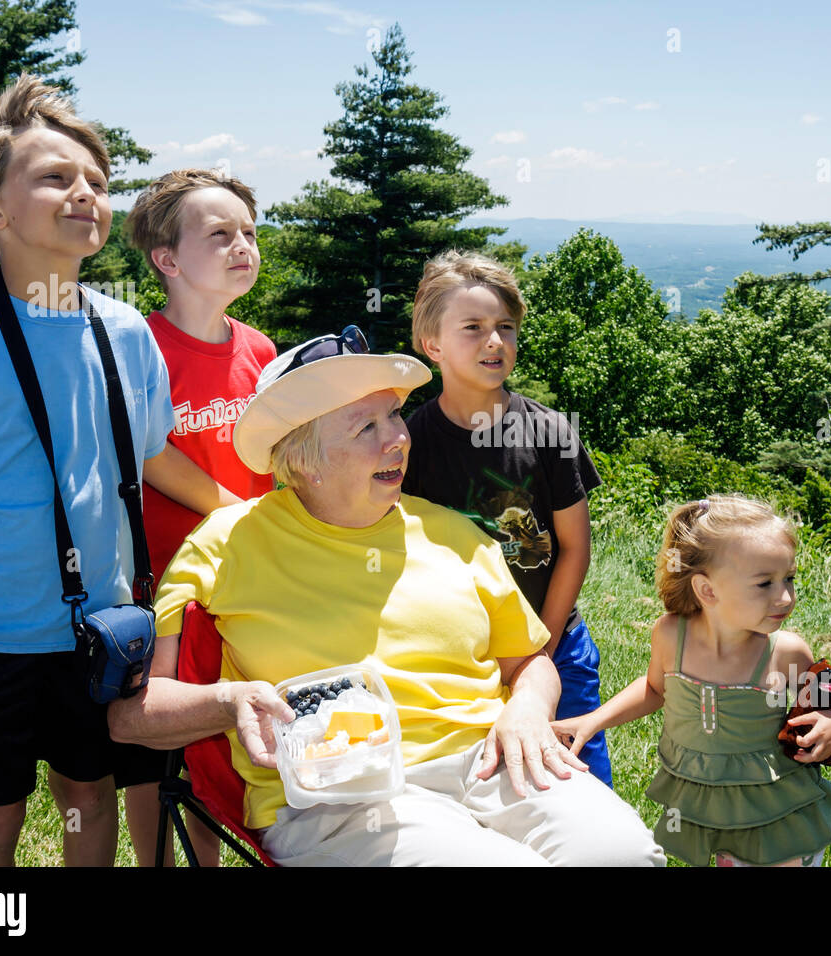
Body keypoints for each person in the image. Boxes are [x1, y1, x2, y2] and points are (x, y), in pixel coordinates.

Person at [107, 327, 665, 866]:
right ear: (303, 459)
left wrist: (527, 707)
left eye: (395, 414)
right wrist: (229, 701)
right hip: (341, 794)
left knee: (624, 854)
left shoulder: (455, 533)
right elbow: (133, 716)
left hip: (491, 761)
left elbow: (530, 663)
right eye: (365, 426)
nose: (399, 437)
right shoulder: (224, 545)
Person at [0, 74, 237, 866]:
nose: (86, 195)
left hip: (100, 630)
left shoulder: (125, 334)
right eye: (55, 178)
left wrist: (241, 510)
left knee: (89, 797)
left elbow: (149, 456)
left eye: (97, 183)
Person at [552, 494, 831, 866]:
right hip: (709, 800)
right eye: (765, 583)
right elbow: (654, 688)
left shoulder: (785, 652)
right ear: (707, 590)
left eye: (789, 578)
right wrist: (594, 719)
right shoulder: (670, 635)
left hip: (777, 807)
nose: (785, 597)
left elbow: (827, 698)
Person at [115, 168, 278, 866]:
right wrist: (237, 513)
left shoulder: (262, 350)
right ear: (167, 259)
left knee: (219, 737)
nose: (243, 245)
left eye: (249, 232)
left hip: (246, 582)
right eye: (220, 234)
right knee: (156, 747)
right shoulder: (138, 346)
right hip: (160, 588)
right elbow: (148, 453)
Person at [402, 250, 613, 787]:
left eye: (505, 328)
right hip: (456, 656)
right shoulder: (408, 443)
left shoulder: (549, 433)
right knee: (486, 788)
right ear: (432, 345)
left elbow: (573, 548)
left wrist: (540, 649)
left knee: (577, 782)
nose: (494, 341)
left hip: (555, 643)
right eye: (472, 328)